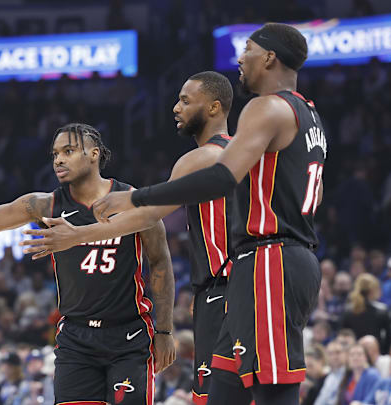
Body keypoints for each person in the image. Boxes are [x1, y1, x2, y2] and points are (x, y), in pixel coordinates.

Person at [89, 23, 325, 405]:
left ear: (269, 57)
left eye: (246, 49)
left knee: (273, 394)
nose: (240, 58)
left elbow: (219, 177)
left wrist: (135, 198)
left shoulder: (267, 107)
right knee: (222, 394)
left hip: (270, 259)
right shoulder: (309, 114)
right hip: (268, 262)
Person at [18, 71, 249, 405]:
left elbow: (146, 215)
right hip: (234, 287)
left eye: (185, 100)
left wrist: (79, 234)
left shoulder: (202, 158)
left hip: (224, 289)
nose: (175, 107)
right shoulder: (246, 151)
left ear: (214, 107)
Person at [0, 122, 176, 404]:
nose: (59, 159)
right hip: (76, 338)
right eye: (55, 154)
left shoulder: (131, 199)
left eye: (68, 151)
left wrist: (164, 330)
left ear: (94, 154)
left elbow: (160, 262)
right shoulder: (46, 204)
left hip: (128, 334)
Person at [340, 274, 391, 353]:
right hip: (376, 356)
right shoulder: (382, 311)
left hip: (353, 356)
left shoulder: (347, 310)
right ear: (373, 290)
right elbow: (389, 339)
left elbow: (342, 336)